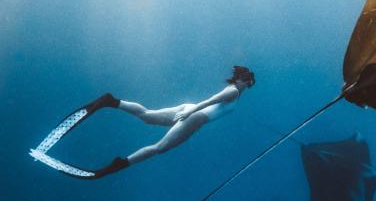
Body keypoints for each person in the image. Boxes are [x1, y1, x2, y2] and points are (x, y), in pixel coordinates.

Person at [94, 65, 255, 178]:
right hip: (194, 117)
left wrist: (189, 110)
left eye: (249, 81)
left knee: (147, 116)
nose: (248, 84)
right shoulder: (233, 92)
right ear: (241, 79)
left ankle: (111, 101)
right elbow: (211, 101)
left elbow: (212, 102)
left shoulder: (233, 90)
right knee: (160, 148)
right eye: (247, 80)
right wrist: (190, 113)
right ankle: (121, 164)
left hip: (190, 110)